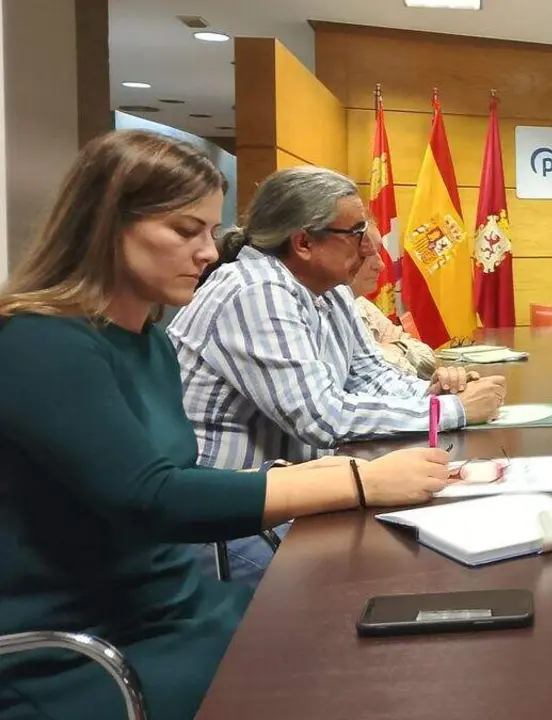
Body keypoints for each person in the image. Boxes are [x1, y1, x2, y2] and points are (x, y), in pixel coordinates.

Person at [0, 131, 458, 720]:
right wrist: (356, 481)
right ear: (106, 225)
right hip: (87, 647)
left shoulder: (149, 344)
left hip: (178, 605)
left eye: (210, 232)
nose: (208, 253)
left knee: (374, 636)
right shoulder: (39, 342)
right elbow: (152, 497)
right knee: (347, 679)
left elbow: (180, 478)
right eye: (185, 231)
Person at [166, 166, 505, 583]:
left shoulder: (329, 290)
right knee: (397, 575)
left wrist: (438, 395)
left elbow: (371, 375)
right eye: (356, 233)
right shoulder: (256, 290)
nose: (369, 248)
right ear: (304, 242)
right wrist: (454, 411)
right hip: (230, 525)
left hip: (297, 500)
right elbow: (322, 418)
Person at [349, 222, 438, 379]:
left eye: (378, 252)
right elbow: (368, 372)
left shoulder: (362, 305)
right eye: (366, 254)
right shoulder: (320, 311)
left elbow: (428, 358)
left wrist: (396, 348)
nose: (381, 265)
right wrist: (385, 353)